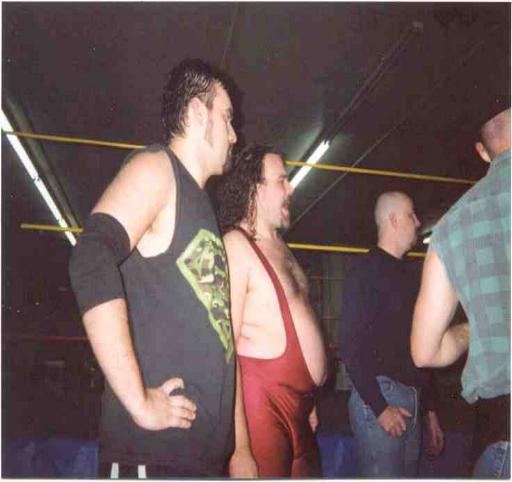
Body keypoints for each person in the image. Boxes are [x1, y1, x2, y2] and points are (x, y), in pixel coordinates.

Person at [68, 59, 258, 478]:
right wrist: (138, 400)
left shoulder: (202, 207)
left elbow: (221, 335)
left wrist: (238, 448)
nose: (233, 134)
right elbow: (91, 256)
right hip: (155, 458)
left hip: (202, 460)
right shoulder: (158, 168)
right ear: (197, 113)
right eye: (227, 117)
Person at [215, 144, 328, 477]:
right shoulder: (235, 246)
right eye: (282, 180)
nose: (291, 189)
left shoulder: (282, 248)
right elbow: (226, 351)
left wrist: (309, 399)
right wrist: (240, 447)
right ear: (255, 189)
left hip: (301, 407)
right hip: (262, 408)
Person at [411, 108, 510, 478]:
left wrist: (473, 329)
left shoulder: (450, 227)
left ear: (483, 152)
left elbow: (425, 352)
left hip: (500, 433)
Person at [340, 191, 444, 477]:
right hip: (381, 396)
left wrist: (430, 412)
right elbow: (350, 345)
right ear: (394, 220)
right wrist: (380, 407)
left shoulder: (412, 276)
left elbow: (422, 349)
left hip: (413, 399)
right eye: (411, 215)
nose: (418, 222)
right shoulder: (364, 271)